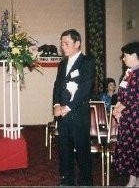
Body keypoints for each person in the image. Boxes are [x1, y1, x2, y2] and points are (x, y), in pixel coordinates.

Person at [53, 29, 95, 186]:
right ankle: (67, 179)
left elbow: (85, 88)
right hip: (63, 115)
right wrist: (56, 104)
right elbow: (57, 85)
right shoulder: (62, 63)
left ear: (77, 44)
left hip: (78, 113)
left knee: (82, 150)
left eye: (66, 43)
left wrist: (68, 107)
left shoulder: (87, 62)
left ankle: (85, 181)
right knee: (64, 150)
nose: (63, 47)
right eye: (62, 43)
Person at [113, 41, 139, 187]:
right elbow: (122, 95)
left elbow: (135, 98)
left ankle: (135, 180)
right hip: (128, 118)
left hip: (136, 118)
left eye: (125, 55)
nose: (123, 58)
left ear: (134, 55)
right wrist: (118, 106)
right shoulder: (129, 73)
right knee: (130, 149)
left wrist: (122, 107)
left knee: (135, 149)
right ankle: (133, 179)